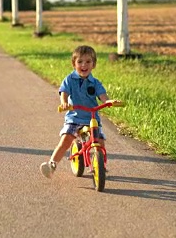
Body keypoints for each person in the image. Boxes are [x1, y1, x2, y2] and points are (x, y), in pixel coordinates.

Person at [40, 45, 121, 178]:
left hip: (91, 118)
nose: (84, 65)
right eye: (80, 62)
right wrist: (64, 103)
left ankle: (101, 165)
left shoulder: (95, 82)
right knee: (66, 140)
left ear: (93, 65)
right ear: (74, 64)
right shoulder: (70, 80)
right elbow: (64, 92)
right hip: (74, 117)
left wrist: (108, 102)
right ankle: (52, 165)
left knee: (100, 140)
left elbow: (102, 95)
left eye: (88, 62)